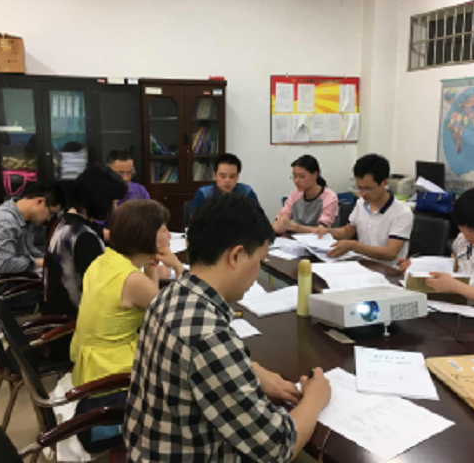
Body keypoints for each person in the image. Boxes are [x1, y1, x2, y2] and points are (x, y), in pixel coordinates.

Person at [124, 193, 332, 462]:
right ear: (236, 256)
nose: (256, 273)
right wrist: (315, 397)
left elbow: (195, 363)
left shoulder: (169, 295)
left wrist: (252, 370)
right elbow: (278, 446)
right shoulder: (209, 337)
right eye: (258, 262)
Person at [70, 199, 184, 389]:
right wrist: (177, 266)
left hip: (91, 365)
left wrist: (149, 265)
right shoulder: (133, 280)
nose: (170, 236)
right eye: (164, 230)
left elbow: (150, 300)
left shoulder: (104, 260)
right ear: (147, 236)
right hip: (114, 374)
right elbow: (179, 318)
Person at [43, 165, 127, 316]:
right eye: (113, 202)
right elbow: (103, 292)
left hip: (56, 310)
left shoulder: (64, 222)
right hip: (76, 319)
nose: (115, 208)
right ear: (100, 201)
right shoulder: (85, 238)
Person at [0, 182, 65, 309]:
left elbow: (30, 250)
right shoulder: (4, 222)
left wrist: (51, 258)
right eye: (51, 213)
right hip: (1, 289)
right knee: (64, 291)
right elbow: (5, 265)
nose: (49, 219)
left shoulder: (23, 218)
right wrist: (42, 262)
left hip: (12, 279)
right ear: (40, 202)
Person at [316, 154, 413, 267]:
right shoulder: (361, 203)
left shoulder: (402, 212)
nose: (362, 193)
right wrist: (327, 231)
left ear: (384, 182)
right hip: (362, 265)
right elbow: (346, 232)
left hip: (388, 270)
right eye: (359, 188)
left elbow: (390, 253)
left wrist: (354, 246)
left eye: (367, 188)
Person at [273, 155, 338, 234]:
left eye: (301, 176)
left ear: (315, 175)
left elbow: (322, 230)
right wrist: (279, 223)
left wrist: (294, 227)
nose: (296, 180)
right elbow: (282, 217)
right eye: (294, 176)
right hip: (297, 239)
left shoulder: (330, 197)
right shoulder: (295, 195)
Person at [191, 153, 259, 212]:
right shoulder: (204, 194)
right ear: (215, 176)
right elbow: (194, 220)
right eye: (223, 176)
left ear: (237, 177)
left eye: (232, 176)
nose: (227, 180)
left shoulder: (246, 192)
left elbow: (259, 218)